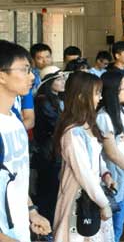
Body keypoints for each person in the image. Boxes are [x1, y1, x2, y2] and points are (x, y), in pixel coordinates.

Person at [53, 71, 115, 242]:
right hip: (78, 198)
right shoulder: (73, 132)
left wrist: (105, 174)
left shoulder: (88, 125)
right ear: (81, 97)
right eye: (96, 93)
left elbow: (96, 156)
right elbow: (83, 173)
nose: (100, 98)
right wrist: (104, 203)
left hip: (92, 194)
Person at [0, 40, 52, 241]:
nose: (32, 76)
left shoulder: (15, 121)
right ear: (2, 75)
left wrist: (31, 211)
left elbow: (16, 178)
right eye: (24, 69)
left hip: (19, 229)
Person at [97, 71, 124, 242]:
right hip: (114, 178)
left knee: (119, 226)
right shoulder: (104, 117)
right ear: (112, 92)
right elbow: (111, 152)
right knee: (112, 227)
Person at [33, 66, 67, 225]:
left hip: (55, 150)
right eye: (59, 79)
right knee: (48, 189)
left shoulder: (57, 98)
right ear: (49, 81)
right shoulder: (43, 100)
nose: (63, 81)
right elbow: (56, 124)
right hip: (48, 152)